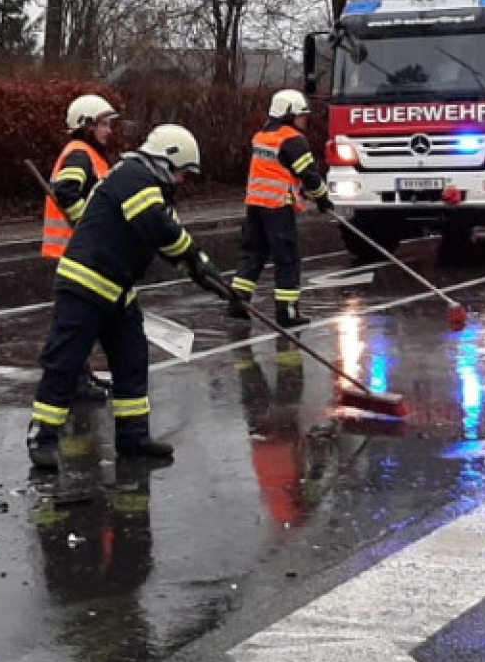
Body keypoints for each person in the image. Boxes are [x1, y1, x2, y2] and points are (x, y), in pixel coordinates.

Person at [27, 124, 228, 468]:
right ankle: (42, 436)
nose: (182, 180)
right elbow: (155, 225)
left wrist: (205, 271)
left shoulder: (150, 186)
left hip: (118, 289)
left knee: (132, 359)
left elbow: (171, 233)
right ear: (167, 161)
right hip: (85, 285)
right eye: (182, 172)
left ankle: (133, 438)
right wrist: (192, 257)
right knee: (65, 363)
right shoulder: (134, 178)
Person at [229, 90, 333, 327]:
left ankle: (237, 302)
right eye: (301, 115)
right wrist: (322, 198)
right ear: (288, 114)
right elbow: (309, 174)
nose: (304, 120)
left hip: (255, 205)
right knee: (287, 260)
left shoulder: (263, 136)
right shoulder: (293, 139)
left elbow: (279, 170)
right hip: (277, 208)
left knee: (252, 254)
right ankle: (287, 312)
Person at [42, 94, 119, 401]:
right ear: (85, 126)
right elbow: (66, 191)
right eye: (103, 124)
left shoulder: (90, 154)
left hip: (80, 250)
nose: (109, 131)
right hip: (74, 251)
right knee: (76, 320)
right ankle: (73, 380)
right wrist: (89, 226)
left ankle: (80, 375)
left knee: (83, 319)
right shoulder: (79, 154)